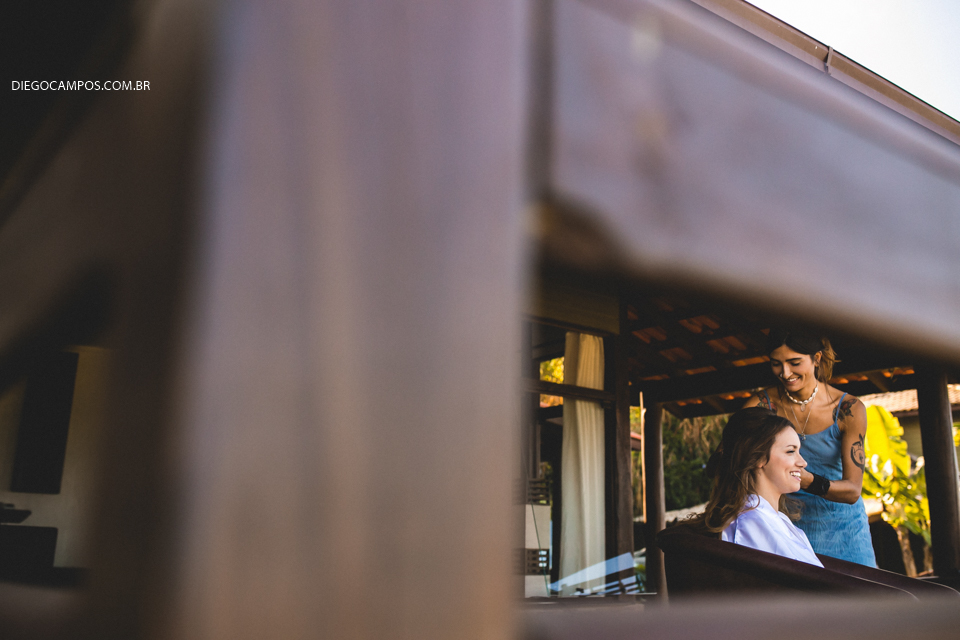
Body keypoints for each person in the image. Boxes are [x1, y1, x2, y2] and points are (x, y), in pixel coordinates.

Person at [742, 329, 876, 566]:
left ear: (817, 358)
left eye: (794, 363)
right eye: (776, 364)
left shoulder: (849, 409)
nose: (785, 373)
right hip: (785, 533)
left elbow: (853, 491)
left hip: (845, 534)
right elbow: (726, 461)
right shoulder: (762, 405)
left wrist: (805, 480)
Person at [696, 407, 822, 566]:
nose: (803, 463)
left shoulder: (775, 518)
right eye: (790, 451)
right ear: (758, 458)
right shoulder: (750, 523)